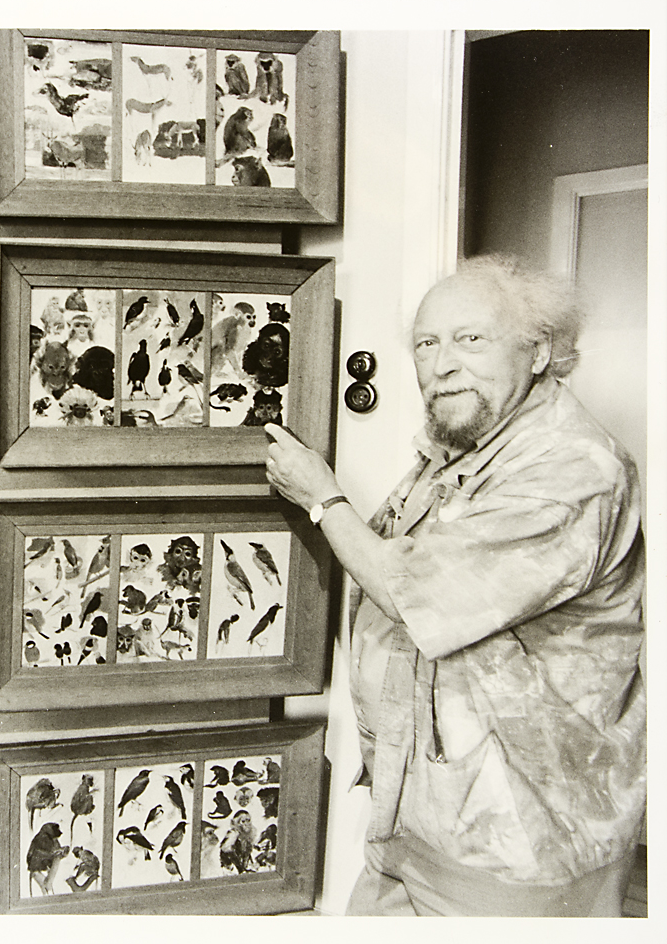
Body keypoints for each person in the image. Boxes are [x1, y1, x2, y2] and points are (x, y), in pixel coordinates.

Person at [264, 255, 645, 916]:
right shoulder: (462, 452)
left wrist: (322, 498)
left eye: (471, 339)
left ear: (540, 351)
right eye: (426, 343)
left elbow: (412, 592)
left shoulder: (574, 468)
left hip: (523, 841)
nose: (441, 364)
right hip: (415, 818)